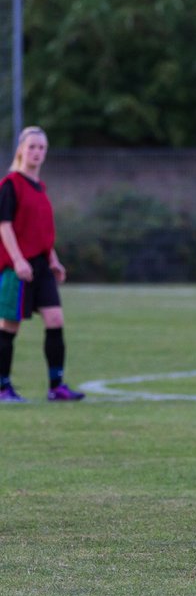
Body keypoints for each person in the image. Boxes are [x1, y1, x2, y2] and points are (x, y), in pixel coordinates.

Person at [0, 126, 84, 402]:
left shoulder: (40, 189)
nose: (37, 152)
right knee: (9, 325)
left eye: (42, 148)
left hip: (41, 265)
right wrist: (17, 260)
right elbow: (5, 226)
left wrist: (53, 258)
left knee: (55, 319)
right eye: (32, 146)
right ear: (21, 150)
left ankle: (56, 386)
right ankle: (3, 387)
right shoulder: (11, 184)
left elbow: (41, 230)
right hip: (18, 268)